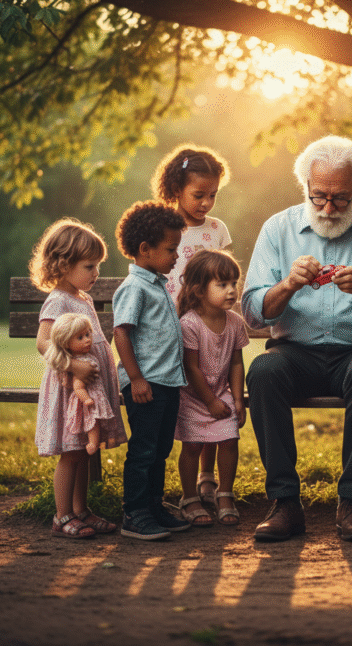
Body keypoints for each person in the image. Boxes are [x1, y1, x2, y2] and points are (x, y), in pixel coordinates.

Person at [241, 135, 352, 542]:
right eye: (318, 195)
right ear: (304, 184)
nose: (326, 207)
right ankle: (285, 502)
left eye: (340, 198)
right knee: (264, 371)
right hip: (294, 351)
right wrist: (287, 285)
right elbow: (251, 311)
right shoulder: (278, 228)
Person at [30, 218, 126, 539]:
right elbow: (44, 342)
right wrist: (74, 366)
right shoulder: (59, 300)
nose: (95, 272)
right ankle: (62, 516)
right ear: (62, 265)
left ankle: (81, 510)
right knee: (71, 453)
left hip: (89, 390)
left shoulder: (82, 298)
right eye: (89, 266)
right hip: (71, 391)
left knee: (85, 450)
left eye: (98, 265)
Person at [151, 144, 232, 508]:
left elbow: (225, 273)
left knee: (212, 392)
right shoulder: (164, 227)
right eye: (198, 195)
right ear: (175, 189)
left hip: (208, 324)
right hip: (173, 327)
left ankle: (207, 477)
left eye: (212, 195)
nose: (205, 203)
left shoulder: (217, 229)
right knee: (193, 401)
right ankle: (186, 483)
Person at [112, 200, 192, 540]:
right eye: (171, 249)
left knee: (160, 449)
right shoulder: (135, 288)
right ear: (145, 250)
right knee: (143, 449)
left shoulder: (157, 284)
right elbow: (121, 332)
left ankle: (154, 506)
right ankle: (135, 512)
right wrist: (135, 378)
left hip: (167, 383)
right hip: (146, 384)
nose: (176, 256)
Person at [174, 249, 249, 527]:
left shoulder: (234, 322)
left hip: (221, 392)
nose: (231, 291)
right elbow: (191, 369)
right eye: (222, 284)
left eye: (234, 284)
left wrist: (237, 400)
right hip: (194, 396)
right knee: (192, 445)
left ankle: (225, 494)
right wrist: (210, 402)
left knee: (230, 439)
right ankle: (190, 497)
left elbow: (237, 363)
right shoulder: (189, 324)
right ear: (199, 290)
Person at [45, 313, 115, 456]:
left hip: (93, 395)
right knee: (92, 422)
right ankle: (93, 443)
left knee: (93, 421)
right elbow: (78, 386)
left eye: (88, 334)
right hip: (88, 398)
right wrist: (86, 399)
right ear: (66, 343)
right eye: (80, 337)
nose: (87, 340)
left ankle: (92, 442)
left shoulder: (83, 358)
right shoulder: (80, 364)